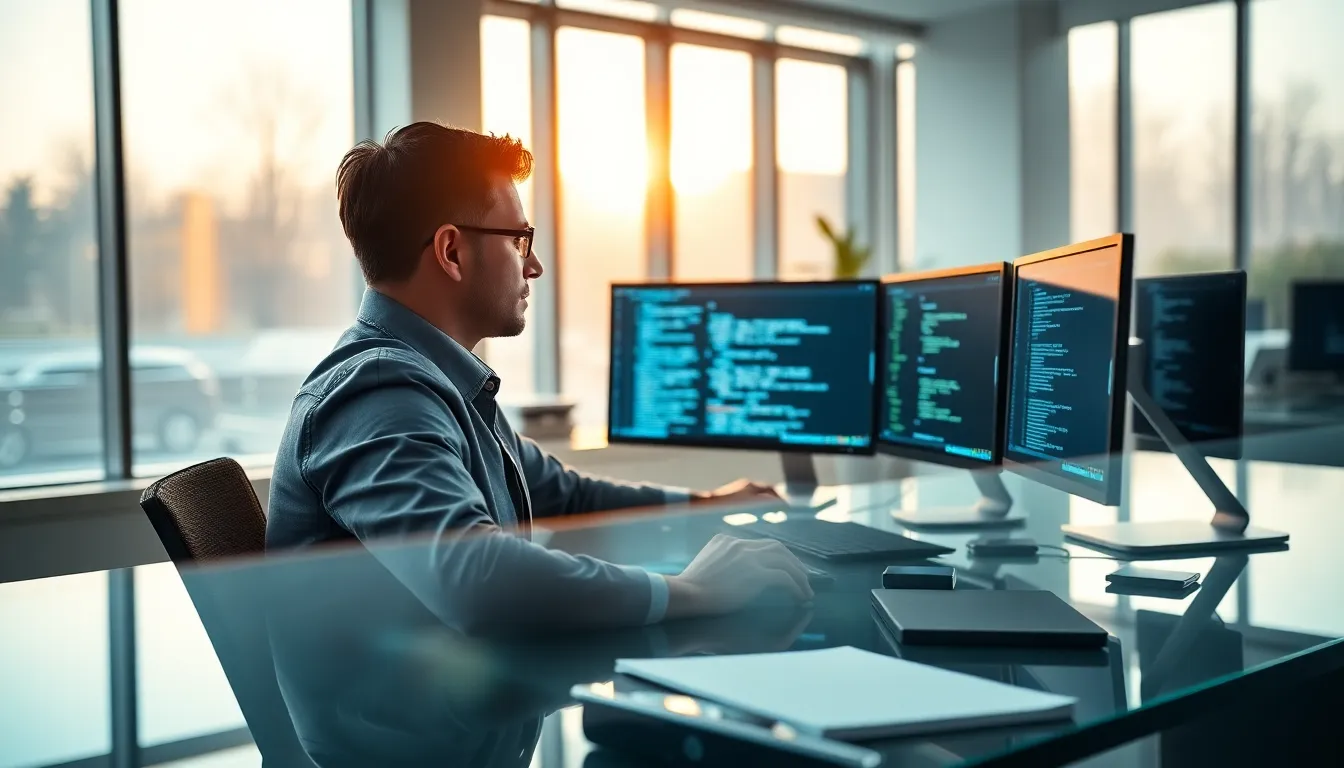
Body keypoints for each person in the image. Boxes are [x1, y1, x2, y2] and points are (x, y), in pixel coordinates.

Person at [266, 122, 814, 630]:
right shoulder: (378, 392)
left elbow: (564, 495)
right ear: (451, 251)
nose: (535, 266)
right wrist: (690, 592)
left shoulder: (442, 382)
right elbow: (476, 579)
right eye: (518, 239)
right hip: (402, 732)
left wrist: (706, 506)